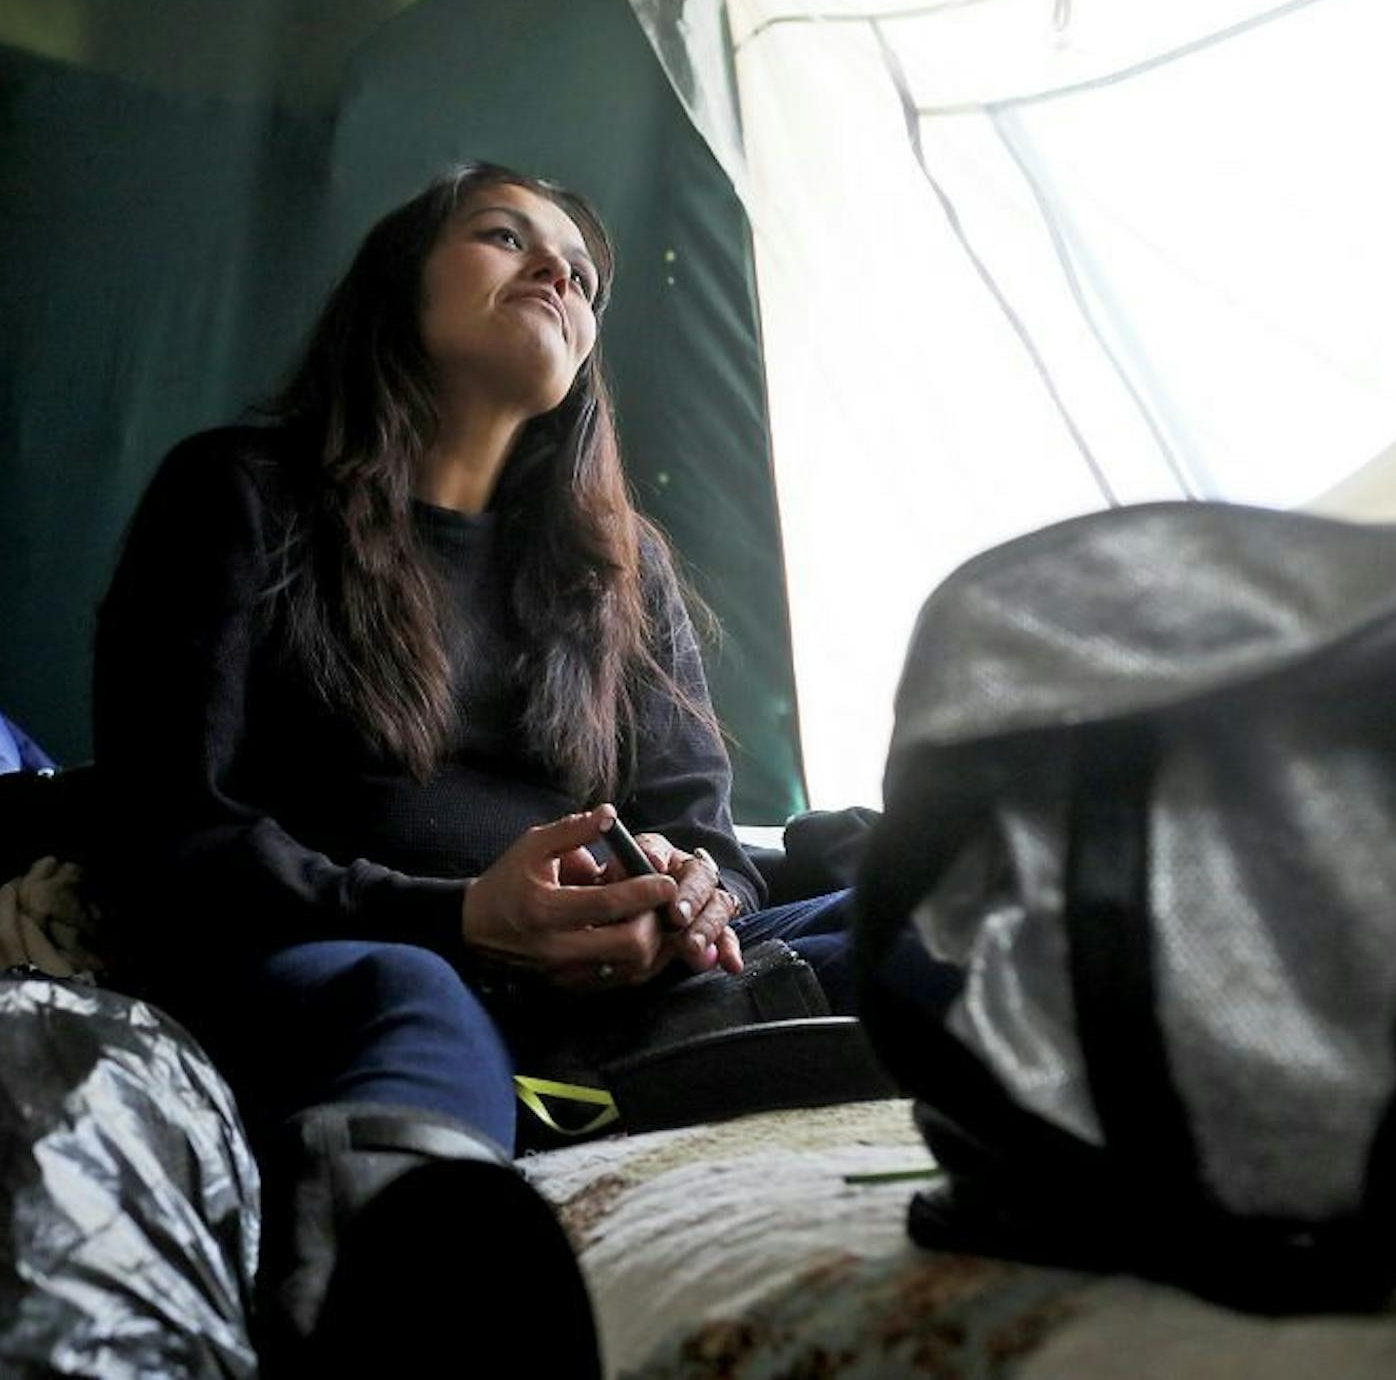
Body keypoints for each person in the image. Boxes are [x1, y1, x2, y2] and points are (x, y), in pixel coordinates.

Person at [94, 163, 852, 1367]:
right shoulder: (240, 494)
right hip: (357, 955)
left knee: (921, 895)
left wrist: (697, 891)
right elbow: (169, 835)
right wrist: (464, 917)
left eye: (585, 275)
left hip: (612, 985)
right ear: (398, 282)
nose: (559, 273)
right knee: (415, 998)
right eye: (507, 237)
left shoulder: (621, 568)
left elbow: (704, 828)